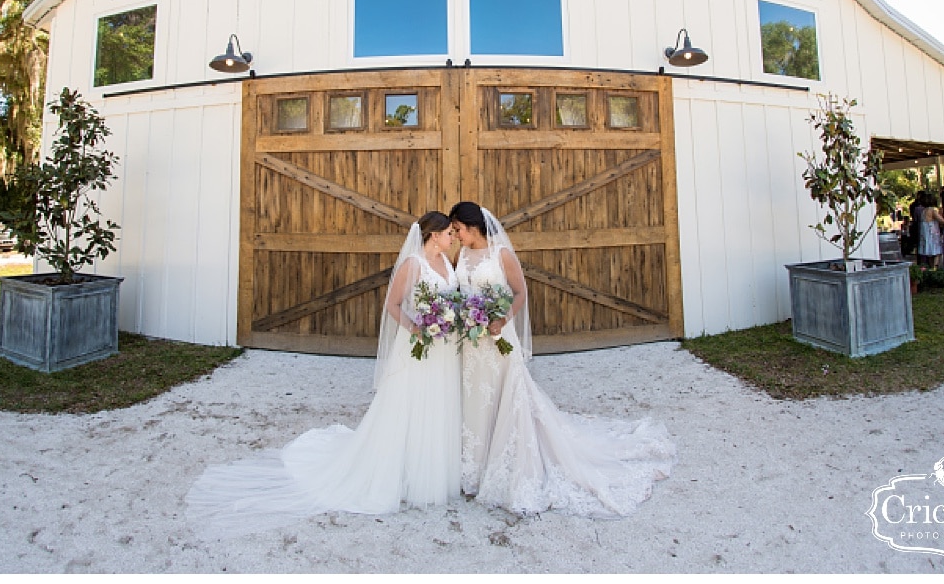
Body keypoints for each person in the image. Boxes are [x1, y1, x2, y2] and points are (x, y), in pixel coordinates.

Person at [185, 212, 460, 538]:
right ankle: (401, 469)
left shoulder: (447, 261)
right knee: (410, 403)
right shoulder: (413, 264)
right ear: (433, 235)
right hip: (419, 345)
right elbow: (394, 305)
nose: (453, 237)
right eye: (448, 233)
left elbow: (451, 299)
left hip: (444, 347)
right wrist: (418, 327)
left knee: (437, 403)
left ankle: (432, 469)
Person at [448, 201, 676, 518]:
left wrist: (502, 318)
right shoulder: (460, 255)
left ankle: (503, 463)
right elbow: (459, 292)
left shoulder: (501, 255)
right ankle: (471, 466)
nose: (454, 234)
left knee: (505, 395)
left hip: (498, 338)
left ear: (471, 225)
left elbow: (519, 293)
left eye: (456, 227)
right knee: (474, 397)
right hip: (471, 342)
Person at [917, 191, 944, 269]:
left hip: (926, 235)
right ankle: (935, 268)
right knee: (937, 252)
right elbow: (941, 220)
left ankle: (931, 268)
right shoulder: (933, 210)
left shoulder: (924, 211)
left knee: (930, 253)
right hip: (933, 234)